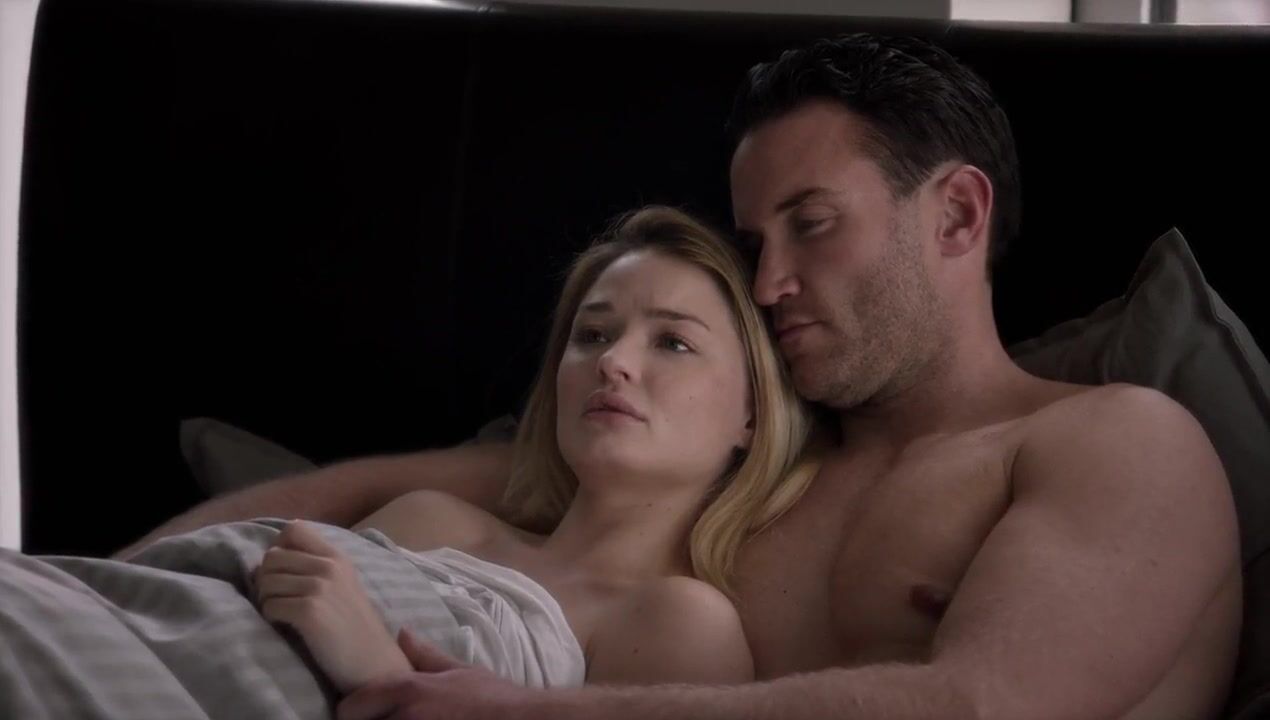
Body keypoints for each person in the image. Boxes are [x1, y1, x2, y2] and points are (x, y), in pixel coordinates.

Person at [120, 32, 1243, 720]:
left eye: (812, 225)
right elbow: (351, 490)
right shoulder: (737, 463)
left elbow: (983, 704)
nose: (769, 282)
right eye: (755, 243)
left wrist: (511, 713)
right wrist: (112, 582)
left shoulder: (1115, 439)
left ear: (954, 215)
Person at [251, 204, 822, 693]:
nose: (612, 361)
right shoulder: (425, 519)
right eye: (592, 335)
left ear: (752, 415)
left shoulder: (680, 623)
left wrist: (378, 672)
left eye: (673, 342)